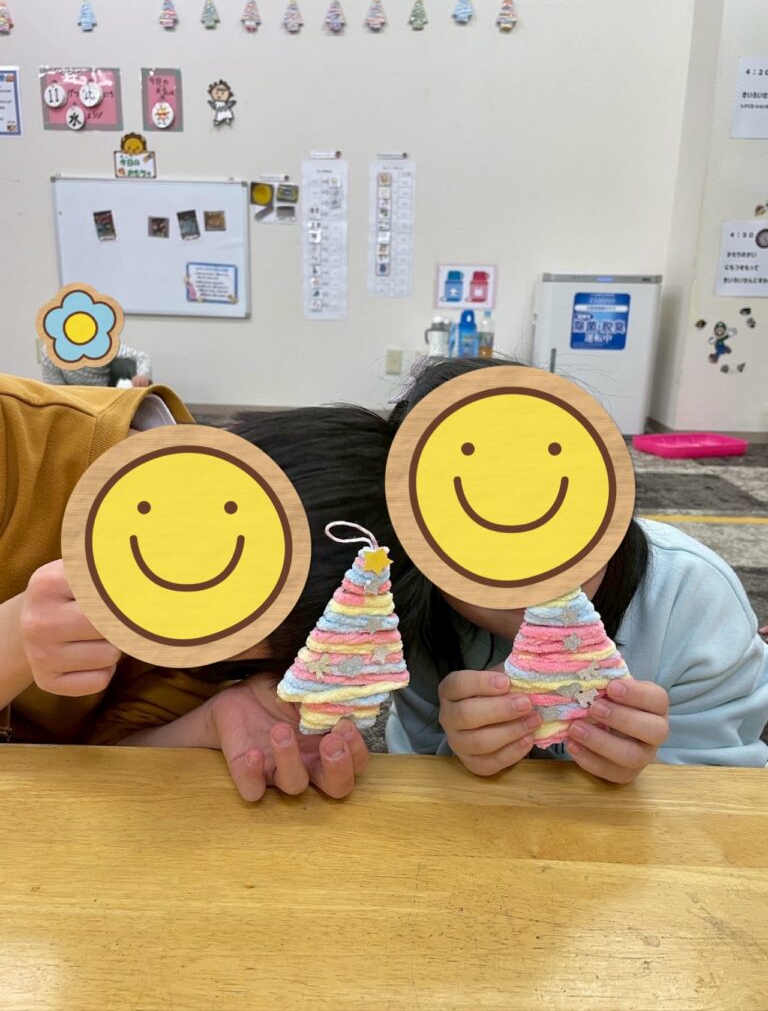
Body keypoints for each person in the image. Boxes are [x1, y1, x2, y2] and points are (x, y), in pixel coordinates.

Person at [381, 357, 768, 777]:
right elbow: (413, 765)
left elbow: (730, 773)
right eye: (478, 552)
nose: (530, 574)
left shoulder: (694, 597)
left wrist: (650, 772)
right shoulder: (417, 618)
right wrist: (457, 753)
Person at [0, 375, 380, 798]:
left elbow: (106, 754)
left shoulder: (212, 662)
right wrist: (13, 641)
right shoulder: (17, 440)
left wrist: (211, 720)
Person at [41, 342, 153, 388]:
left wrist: (142, 375)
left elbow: (141, 357)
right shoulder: (50, 352)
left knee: (123, 364)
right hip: (76, 399)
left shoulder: (103, 343)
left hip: (109, 392)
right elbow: (56, 391)